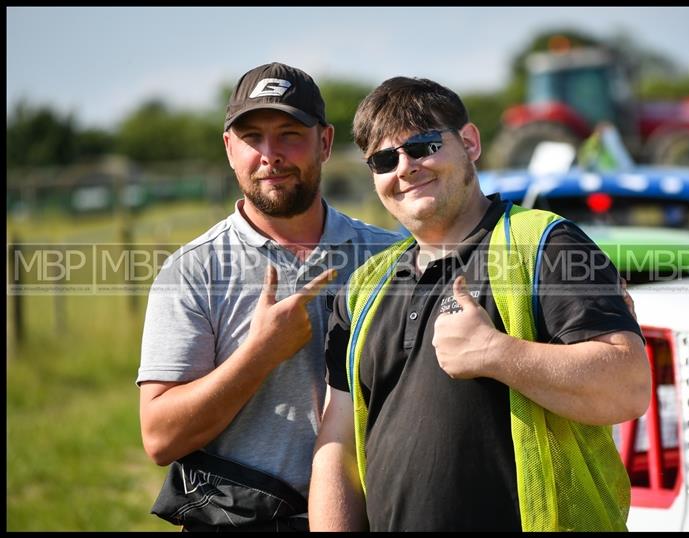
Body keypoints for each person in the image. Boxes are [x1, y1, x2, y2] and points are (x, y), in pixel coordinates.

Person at [308, 77, 651, 531]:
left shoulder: (547, 244)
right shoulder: (364, 287)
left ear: (469, 142)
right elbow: (339, 447)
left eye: (424, 146)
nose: (406, 168)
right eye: (385, 160)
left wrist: (497, 353)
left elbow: (628, 386)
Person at [137, 62, 400, 532]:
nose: (270, 154)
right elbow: (160, 438)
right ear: (228, 149)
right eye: (252, 137)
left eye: (289, 134)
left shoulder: (388, 257)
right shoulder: (193, 270)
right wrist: (259, 355)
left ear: (324, 141)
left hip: (371, 516)